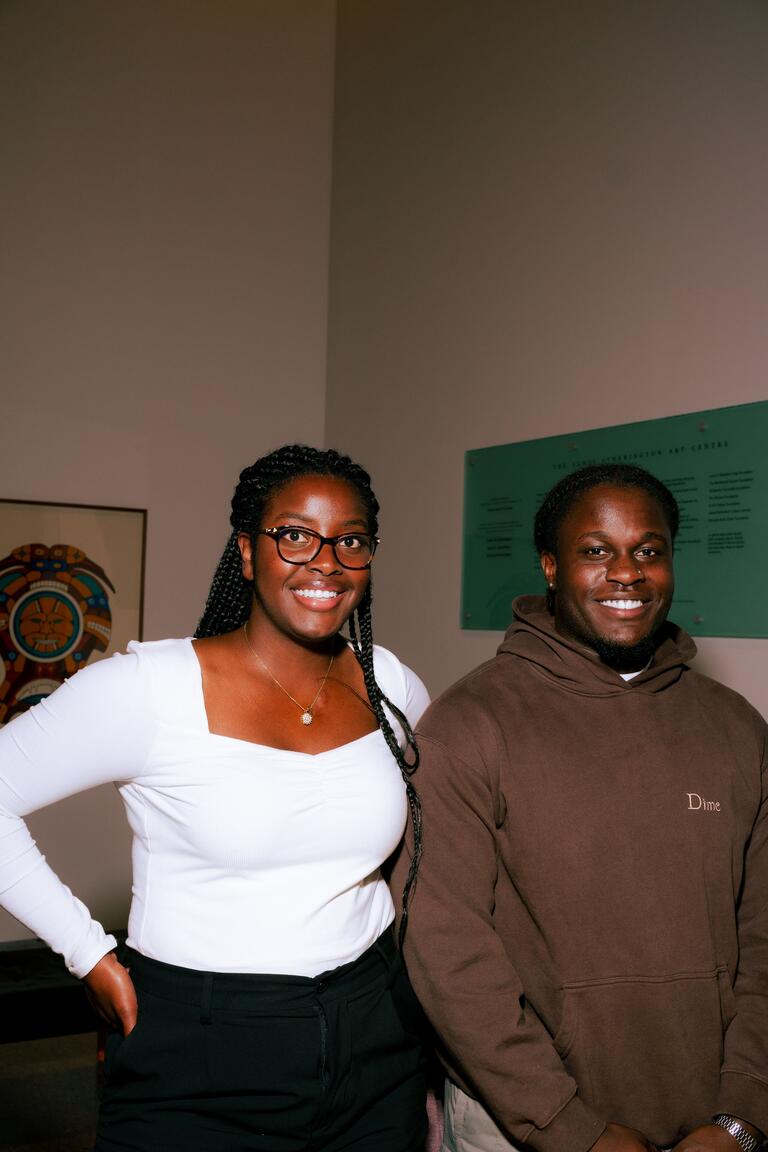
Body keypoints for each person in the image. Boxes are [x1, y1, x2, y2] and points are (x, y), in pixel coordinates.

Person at [0, 444, 431, 1152]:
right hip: (202, 1047)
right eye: (295, 534)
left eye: (350, 541)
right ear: (247, 551)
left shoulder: (389, 682)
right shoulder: (147, 689)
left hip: (375, 1033)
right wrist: (85, 951)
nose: (325, 560)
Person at [392, 463, 768, 1152]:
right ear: (551, 567)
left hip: (712, 1122)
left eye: (648, 551)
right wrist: (570, 1127)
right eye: (596, 551)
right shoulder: (469, 724)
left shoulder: (738, 729)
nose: (626, 573)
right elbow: (447, 955)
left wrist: (743, 1117)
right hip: (527, 1121)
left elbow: (765, 940)